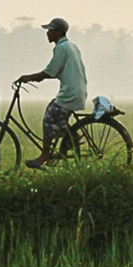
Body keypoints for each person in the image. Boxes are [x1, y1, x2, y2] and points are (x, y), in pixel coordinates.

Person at [16, 17, 87, 169]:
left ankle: (45, 155)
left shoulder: (62, 48)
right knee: (53, 110)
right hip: (76, 91)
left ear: (57, 33)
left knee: (49, 119)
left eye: (50, 31)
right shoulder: (71, 46)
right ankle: (72, 135)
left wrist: (28, 78)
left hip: (70, 94)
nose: (47, 34)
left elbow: (50, 71)